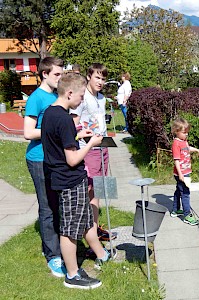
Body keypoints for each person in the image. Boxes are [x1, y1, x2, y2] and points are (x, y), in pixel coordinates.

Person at [41, 73, 114, 289]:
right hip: (69, 180)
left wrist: (78, 134)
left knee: (83, 221)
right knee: (70, 229)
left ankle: (101, 254)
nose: (82, 100)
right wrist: (91, 142)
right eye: (81, 96)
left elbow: (59, 142)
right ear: (70, 93)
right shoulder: (63, 119)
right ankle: (72, 275)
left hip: (67, 178)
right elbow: (72, 159)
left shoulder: (51, 114)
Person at [23, 56, 66, 277]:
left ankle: (62, 247)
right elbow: (28, 133)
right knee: (47, 207)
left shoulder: (56, 97)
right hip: (38, 159)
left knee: (58, 204)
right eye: (57, 74)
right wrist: (53, 130)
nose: (60, 78)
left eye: (62, 74)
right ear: (44, 74)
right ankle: (53, 256)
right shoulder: (36, 99)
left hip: (56, 159)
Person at [69, 63, 116, 242]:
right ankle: (90, 233)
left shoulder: (102, 98)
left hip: (103, 147)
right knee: (91, 190)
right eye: (97, 77)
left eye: (103, 79)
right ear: (89, 76)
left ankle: (96, 228)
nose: (100, 82)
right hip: (88, 150)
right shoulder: (82, 98)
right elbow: (73, 125)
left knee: (101, 189)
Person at [170, 117, 199, 226]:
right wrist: (180, 174)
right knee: (186, 193)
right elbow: (176, 160)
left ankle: (175, 210)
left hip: (186, 172)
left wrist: (197, 150)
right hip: (181, 173)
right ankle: (187, 215)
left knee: (179, 191)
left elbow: (188, 148)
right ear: (176, 131)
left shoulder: (184, 141)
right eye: (184, 133)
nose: (186, 135)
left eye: (187, 133)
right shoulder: (176, 143)